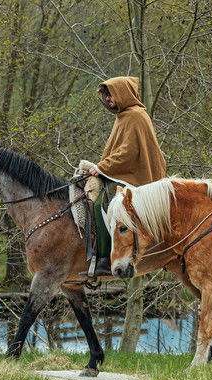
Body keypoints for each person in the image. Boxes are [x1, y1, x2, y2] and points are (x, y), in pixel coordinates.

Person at [85, 76, 166, 276]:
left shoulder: (135, 116)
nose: (108, 99)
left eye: (111, 94)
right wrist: (101, 168)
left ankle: (106, 258)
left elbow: (128, 152)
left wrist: (102, 167)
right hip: (123, 174)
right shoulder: (124, 116)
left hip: (134, 177)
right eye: (106, 96)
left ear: (122, 93)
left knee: (102, 204)